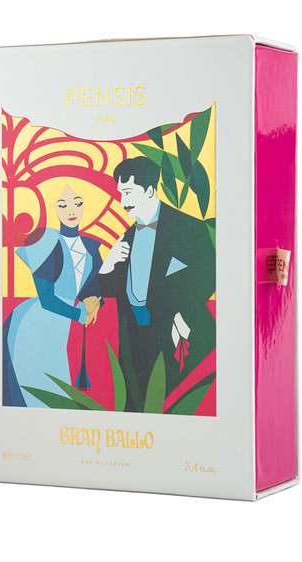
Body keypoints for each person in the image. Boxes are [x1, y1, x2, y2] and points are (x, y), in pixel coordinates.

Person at [79, 156, 215, 411]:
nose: (122, 202)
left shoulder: (187, 227)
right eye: (121, 194)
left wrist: (176, 309)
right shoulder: (127, 237)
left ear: (150, 190)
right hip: (133, 336)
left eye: (128, 193)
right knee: (135, 407)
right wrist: (108, 265)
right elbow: (108, 290)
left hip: (175, 331)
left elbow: (208, 275)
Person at [3, 184, 102, 407]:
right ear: (53, 208)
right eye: (62, 205)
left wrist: (94, 301)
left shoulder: (91, 247)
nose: (71, 210)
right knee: (39, 386)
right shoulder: (44, 241)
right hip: (36, 323)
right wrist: (80, 313)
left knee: (58, 386)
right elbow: (47, 300)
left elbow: (97, 286)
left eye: (78, 203)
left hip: (63, 326)